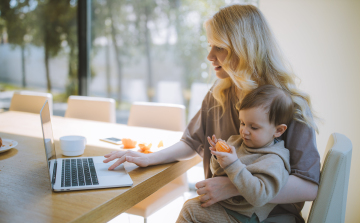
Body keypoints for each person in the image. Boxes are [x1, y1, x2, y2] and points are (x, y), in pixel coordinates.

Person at [103, 4, 320, 223]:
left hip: (271, 216)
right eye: (209, 45)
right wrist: (150, 158)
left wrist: (235, 186)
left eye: (219, 47)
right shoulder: (219, 94)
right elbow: (192, 142)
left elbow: (309, 186)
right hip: (221, 210)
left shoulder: (291, 105)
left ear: (244, 48)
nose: (209, 55)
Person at [177, 85, 294, 223]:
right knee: (191, 205)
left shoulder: (274, 160)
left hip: (243, 217)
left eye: (254, 127)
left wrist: (233, 164)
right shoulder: (237, 142)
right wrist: (219, 157)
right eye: (242, 123)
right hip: (225, 206)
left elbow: (259, 196)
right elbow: (218, 173)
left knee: (190, 210)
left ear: (278, 130)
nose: (244, 131)